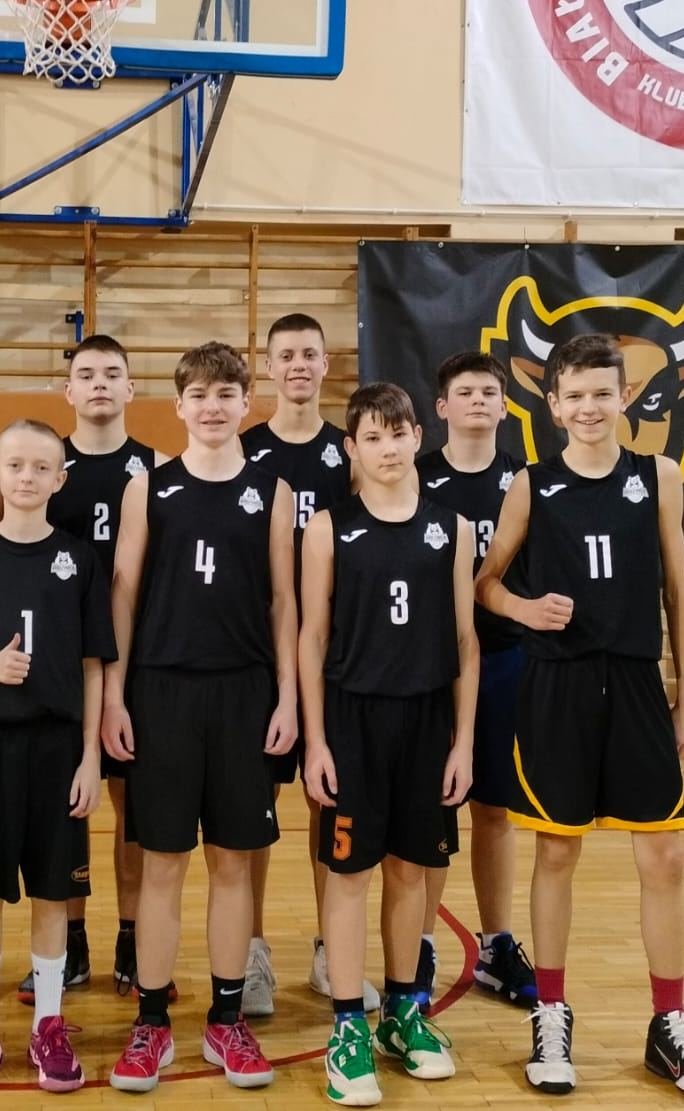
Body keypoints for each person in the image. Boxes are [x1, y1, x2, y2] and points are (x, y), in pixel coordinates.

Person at [472, 334, 684, 1103]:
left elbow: (678, 589)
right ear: (552, 405)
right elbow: (486, 582)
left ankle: (670, 1023)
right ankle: (551, 1013)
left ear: (625, 398)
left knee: (665, 857)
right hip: (557, 686)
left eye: (602, 394)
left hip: (637, 684)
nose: (590, 407)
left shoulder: (659, 476)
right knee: (557, 851)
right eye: (575, 396)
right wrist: (523, 608)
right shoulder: (531, 484)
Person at [103, 341, 298, 1093]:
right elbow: (123, 594)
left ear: (246, 402)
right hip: (162, 692)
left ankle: (225, 1019)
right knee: (162, 863)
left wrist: (287, 695)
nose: (213, 406)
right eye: (199, 394)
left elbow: (283, 601)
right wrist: (115, 693)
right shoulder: (147, 487)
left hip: (245, 692)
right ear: (178, 404)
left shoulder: (273, 489)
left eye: (226, 393)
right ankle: (151, 1022)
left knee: (232, 862)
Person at [0, 420, 115, 1099]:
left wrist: (90, 757)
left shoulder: (79, 560)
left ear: (60, 479)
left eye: (41, 467)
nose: (27, 477)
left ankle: (48, 1024)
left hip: (58, 749)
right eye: (15, 465)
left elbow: (93, 664)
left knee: (52, 892)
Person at [301, 382, 476, 1106]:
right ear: (352, 448)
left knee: (411, 870)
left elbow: (465, 639)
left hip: (428, 720)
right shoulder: (327, 528)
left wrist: (464, 742)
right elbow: (311, 637)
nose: (388, 447)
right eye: (372, 436)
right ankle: (348, 1024)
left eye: (398, 433)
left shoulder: (452, 527)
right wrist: (315, 741)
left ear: (417, 438)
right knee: (349, 874)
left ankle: (402, 1012)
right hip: (352, 719)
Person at [25, 334, 164, 1004]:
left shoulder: (158, 470)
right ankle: (72, 940)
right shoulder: (47, 467)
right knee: (68, 802)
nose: (100, 383)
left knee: (134, 807)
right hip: (61, 657)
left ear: (131, 388)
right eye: (87, 374)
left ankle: (132, 937)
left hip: (139, 658)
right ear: (68, 390)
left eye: (113, 373)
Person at [236, 312, 366, 1014]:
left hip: (333, 649)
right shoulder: (244, 449)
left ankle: (327, 949)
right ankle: (252, 951)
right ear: (268, 365)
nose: (298, 365)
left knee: (328, 797)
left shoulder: (348, 452)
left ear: (325, 364)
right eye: (285, 354)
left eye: (309, 354)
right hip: (255, 650)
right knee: (253, 808)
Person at [413, 351, 539, 1011]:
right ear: (442, 407)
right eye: (465, 392)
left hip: (505, 659)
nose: (479, 401)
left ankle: (496, 945)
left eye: (490, 391)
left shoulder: (527, 480)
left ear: (505, 404)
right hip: (431, 665)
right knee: (431, 808)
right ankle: (420, 946)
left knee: (495, 806)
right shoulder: (415, 477)